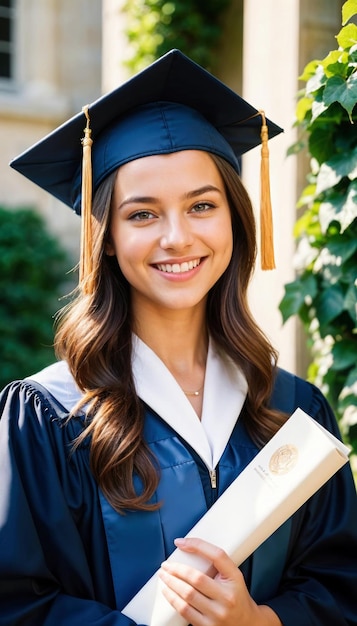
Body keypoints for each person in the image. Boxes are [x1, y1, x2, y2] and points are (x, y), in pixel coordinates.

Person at [0, 49, 356, 626]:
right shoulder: (50, 419)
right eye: (142, 214)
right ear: (107, 236)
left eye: (202, 206)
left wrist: (261, 622)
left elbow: (340, 587)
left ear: (235, 222)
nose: (177, 237)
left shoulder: (291, 410)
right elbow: (15, 604)